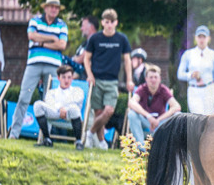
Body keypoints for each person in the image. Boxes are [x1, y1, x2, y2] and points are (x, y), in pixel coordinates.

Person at [9, 0, 68, 139]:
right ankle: (14, 134)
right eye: (51, 6)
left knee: (50, 102)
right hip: (34, 64)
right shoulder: (35, 20)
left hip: (53, 66)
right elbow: (31, 36)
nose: (54, 9)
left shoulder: (62, 25)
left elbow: (62, 45)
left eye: (56, 7)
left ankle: (45, 137)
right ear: (45, 8)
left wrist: (42, 43)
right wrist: (52, 38)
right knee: (24, 97)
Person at [83, 8, 132, 149]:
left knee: (109, 111)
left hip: (112, 81)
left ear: (116, 23)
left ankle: (90, 133)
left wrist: (129, 79)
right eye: (106, 22)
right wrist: (90, 75)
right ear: (102, 22)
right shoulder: (95, 38)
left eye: (112, 22)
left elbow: (127, 60)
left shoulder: (122, 39)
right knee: (98, 112)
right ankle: (102, 142)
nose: (109, 24)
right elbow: (86, 58)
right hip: (96, 80)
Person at [127, 63, 181, 149]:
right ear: (146, 79)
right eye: (151, 77)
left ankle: (173, 149)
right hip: (146, 122)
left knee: (178, 115)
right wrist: (148, 116)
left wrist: (158, 120)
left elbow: (176, 106)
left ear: (160, 79)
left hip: (161, 123)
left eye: (156, 77)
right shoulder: (142, 89)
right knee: (132, 114)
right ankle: (141, 149)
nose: (153, 80)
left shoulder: (164, 90)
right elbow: (131, 102)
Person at [31, 64, 85, 149]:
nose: (66, 80)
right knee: (38, 104)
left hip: (70, 115)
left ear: (72, 78)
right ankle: (47, 139)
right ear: (58, 78)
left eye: (69, 77)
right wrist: (60, 108)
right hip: (56, 113)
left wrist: (64, 108)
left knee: (74, 108)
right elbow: (50, 103)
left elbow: (75, 102)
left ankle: (78, 141)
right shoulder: (52, 92)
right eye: (63, 77)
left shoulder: (77, 91)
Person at [177, 26, 214, 115]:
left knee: (208, 117)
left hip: (209, 89)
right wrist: (191, 75)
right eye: (199, 37)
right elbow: (180, 74)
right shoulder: (188, 54)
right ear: (195, 38)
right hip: (194, 90)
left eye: (204, 37)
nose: (201, 40)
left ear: (208, 38)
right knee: (197, 116)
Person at [67, 15, 98, 79]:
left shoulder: (96, 42)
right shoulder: (85, 43)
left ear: (91, 27)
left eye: (83, 26)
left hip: (87, 78)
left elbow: (81, 59)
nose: (81, 29)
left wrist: (74, 59)